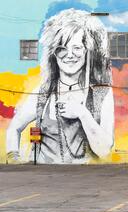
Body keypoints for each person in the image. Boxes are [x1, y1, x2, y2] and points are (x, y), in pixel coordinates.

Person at [6, 9, 114, 164]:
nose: (69, 55)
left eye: (77, 48)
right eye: (62, 49)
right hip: (44, 178)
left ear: (87, 51)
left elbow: (104, 151)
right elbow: (14, 128)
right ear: (53, 54)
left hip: (87, 180)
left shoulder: (101, 93)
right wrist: (13, 158)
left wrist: (82, 113)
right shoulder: (44, 92)